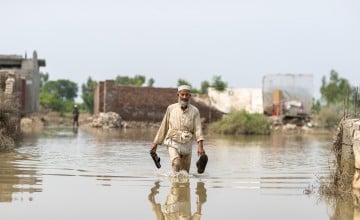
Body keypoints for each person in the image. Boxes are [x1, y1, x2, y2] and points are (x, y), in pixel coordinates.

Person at [150, 85, 206, 173]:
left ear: (189, 96)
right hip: (173, 141)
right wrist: (155, 143)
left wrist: (200, 146)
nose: (184, 97)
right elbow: (164, 126)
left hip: (187, 143)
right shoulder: (171, 108)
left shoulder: (195, 111)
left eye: (187, 95)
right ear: (178, 95)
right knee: (176, 163)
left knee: (185, 173)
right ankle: (175, 185)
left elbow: (198, 129)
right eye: (182, 95)